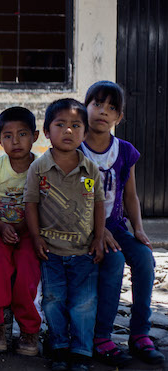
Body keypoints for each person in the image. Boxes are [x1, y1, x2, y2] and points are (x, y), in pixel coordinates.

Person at [81, 81, 165, 366]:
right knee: (114, 261)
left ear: (119, 117)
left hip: (115, 227)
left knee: (144, 258)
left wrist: (138, 229)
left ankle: (140, 334)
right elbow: (75, 199)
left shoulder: (125, 151)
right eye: (97, 104)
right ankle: (101, 336)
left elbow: (130, 196)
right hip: (83, 228)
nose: (103, 111)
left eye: (112, 107)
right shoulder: (76, 150)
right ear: (85, 107)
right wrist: (97, 229)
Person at [24, 98, 105, 371]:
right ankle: (58, 346)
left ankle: (81, 350)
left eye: (75, 125)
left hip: (84, 252)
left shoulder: (90, 170)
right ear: (47, 131)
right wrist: (36, 238)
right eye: (61, 125)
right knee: (53, 300)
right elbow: (31, 204)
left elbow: (98, 203)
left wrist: (99, 237)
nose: (68, 131)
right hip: (51, 251)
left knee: (84, 303)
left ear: (85, 132)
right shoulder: (39, 169)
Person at [0, 107, 41, 355]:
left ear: (35, 136)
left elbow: (41, 207)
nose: (15, 141)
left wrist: (23, 227)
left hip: (31, 231)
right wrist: (3, 226)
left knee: (27, 265)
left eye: (22, 134)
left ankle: (29, 330)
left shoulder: (41, 168)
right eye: (8, 136)